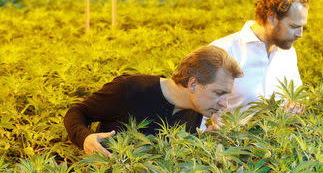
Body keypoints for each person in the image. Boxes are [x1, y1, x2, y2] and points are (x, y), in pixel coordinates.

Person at [64, 45, 243, 157]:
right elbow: (77, 112)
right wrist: (85, 138)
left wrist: (200, 143)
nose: (224, 104)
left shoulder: (195, 110)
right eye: (219, 93)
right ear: (193, 84)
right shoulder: (130, 89)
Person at [210, 0, 309, 116]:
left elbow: (299, 97)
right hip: (230, 137)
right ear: (272, 18)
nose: (300, 34)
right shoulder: (222, 51)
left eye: (302, 26)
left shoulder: (288, 53)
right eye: (293, 26)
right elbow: (201, 116)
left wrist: (296, 107)